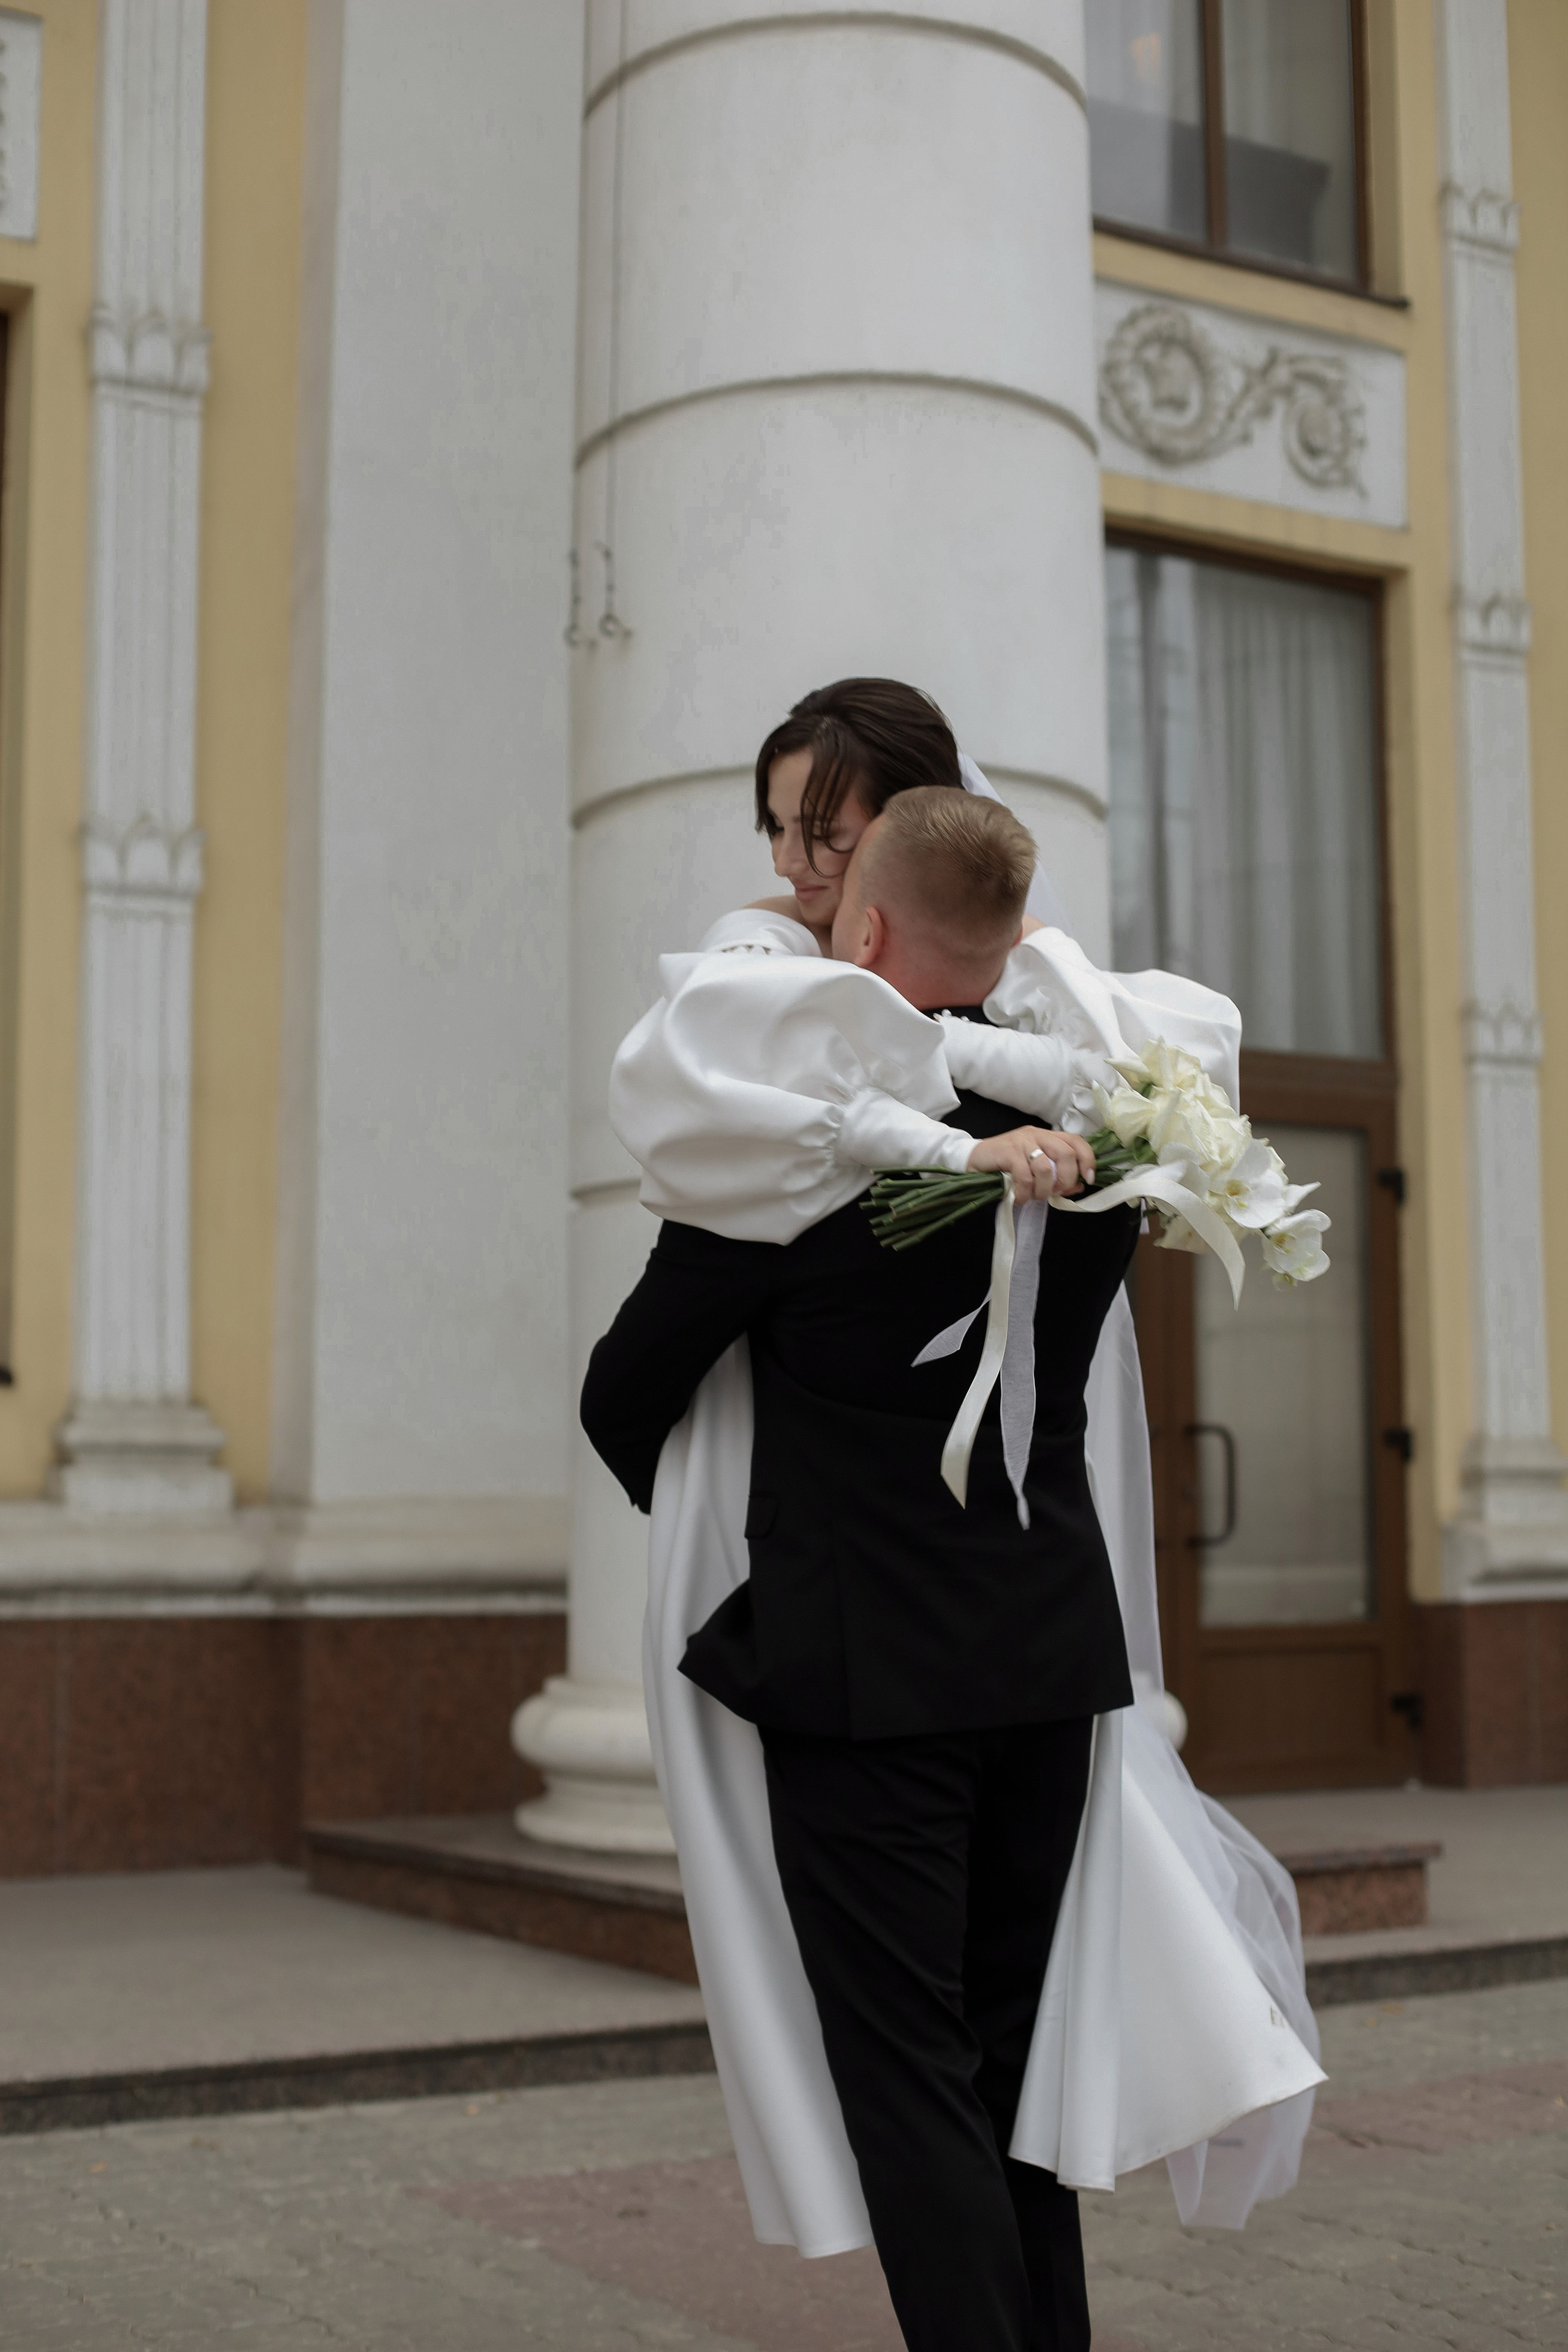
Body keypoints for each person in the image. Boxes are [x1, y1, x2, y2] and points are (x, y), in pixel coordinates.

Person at [584, 789, 1323, 2352]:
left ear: (859, 934)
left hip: (860, 1671)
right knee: (1006, 2067)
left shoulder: (789, 1155)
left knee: (907, 2078)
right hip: (1047, 1655)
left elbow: (619, 1395)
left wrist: (753, 1512)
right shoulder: (1108, 1152)